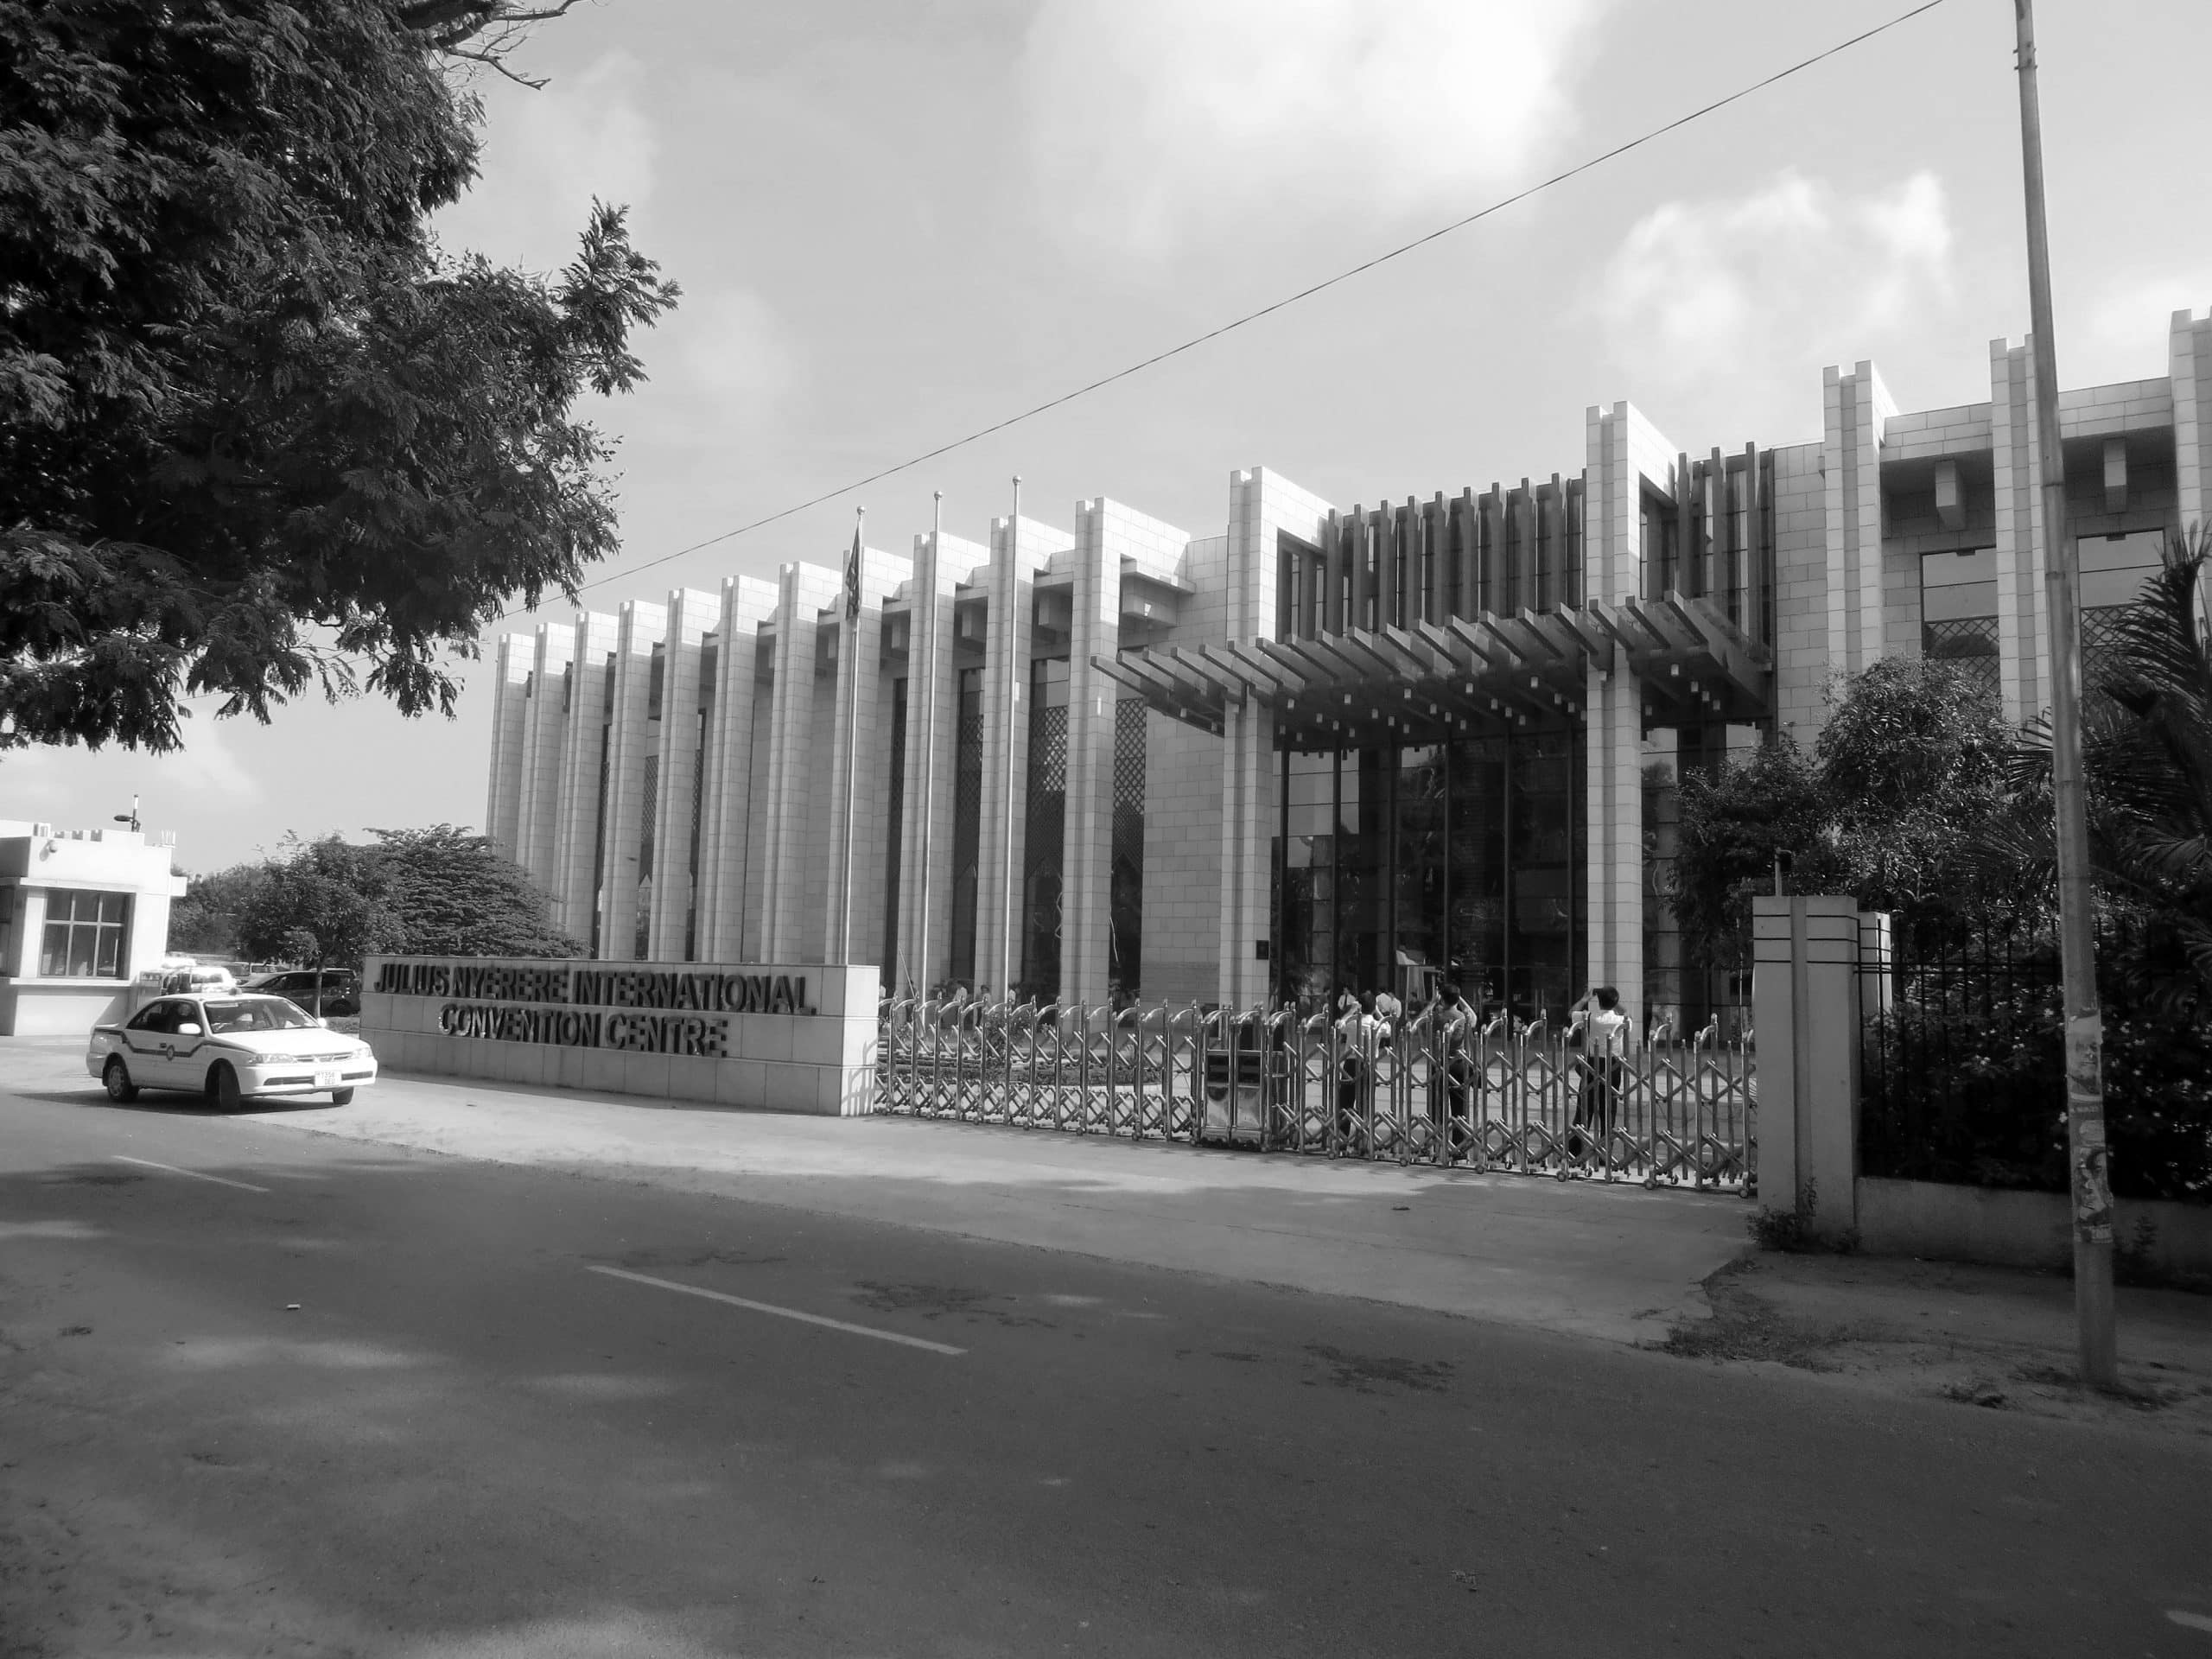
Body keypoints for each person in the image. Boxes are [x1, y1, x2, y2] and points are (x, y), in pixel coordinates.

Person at [1567, 985, 1635, 1163]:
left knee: (1585, 1107)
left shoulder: (1591, 1017)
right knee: (1608, 1110)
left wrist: (1584, 1000)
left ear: (1599, 1001)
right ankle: (1605, 1153)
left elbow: (1571, 1013)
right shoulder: (1619, 1020)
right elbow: (1628, 1014)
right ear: (1615, 1001)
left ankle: (1574, 1150)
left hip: (1592, 1063)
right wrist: (1616, 1002)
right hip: (1613, 1065)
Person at [1333, 990, 1381, 1156]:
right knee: (1365, 1104)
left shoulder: (1352, 1023)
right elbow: (1390, 1026)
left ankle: (1341, 1141)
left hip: (1351, 1063)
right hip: (1369, 1066)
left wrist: (1352, 1011)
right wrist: (1377, 1011)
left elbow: (1339, 1024)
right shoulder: (1376, 1025)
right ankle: (1364, 1142)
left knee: (1345, 1103)